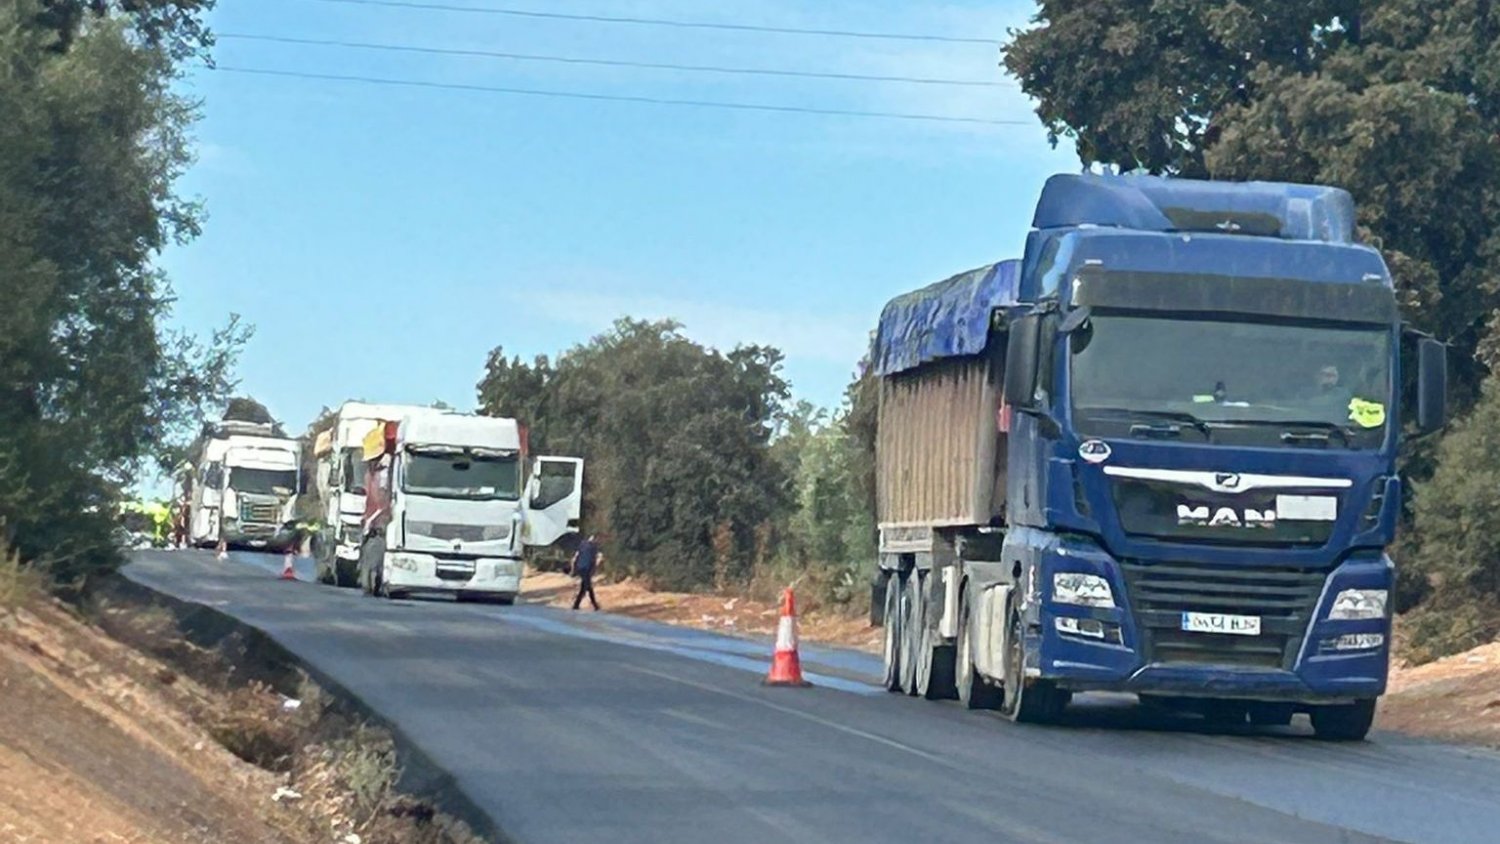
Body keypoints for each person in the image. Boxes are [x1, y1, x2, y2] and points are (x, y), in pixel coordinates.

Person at [569, 534, 603, 611]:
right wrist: (594, 569)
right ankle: (594, 605)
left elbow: (575, 557)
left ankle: (576, 604)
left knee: (585, 587)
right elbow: (594, 560)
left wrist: (573, 568)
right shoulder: (593, 547)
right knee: (588, 586)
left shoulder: (583, 544)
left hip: (582, 568)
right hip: (585, 569)